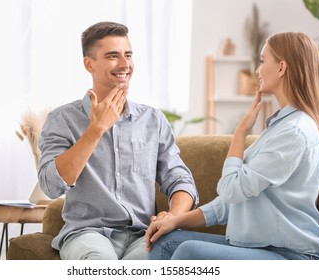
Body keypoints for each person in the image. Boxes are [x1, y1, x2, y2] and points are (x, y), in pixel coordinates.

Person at [145, 32, 319, 260]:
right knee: (164, 241)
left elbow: (231, 189)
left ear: (281, 68)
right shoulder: (280, 127)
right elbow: (229, 202)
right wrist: (174, 221)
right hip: (256, 248)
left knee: (188, 252)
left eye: (262, 61)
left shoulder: (295, 131)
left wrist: (240, 133)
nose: (257, 71)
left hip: (288, 255)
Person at [37, 21, 198, 260]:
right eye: (113, 56)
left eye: (128, 55)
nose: (124, 64)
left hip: (144, 235)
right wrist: (96, 129)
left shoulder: (152, 120)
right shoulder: (62, 120)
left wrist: (173, 216)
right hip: (87, 233)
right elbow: (51, 186)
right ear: (89, 64)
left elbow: (180, 179)